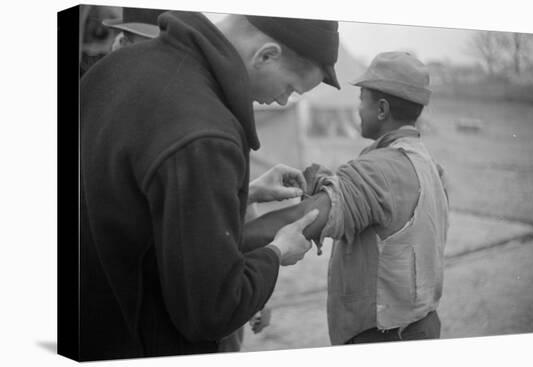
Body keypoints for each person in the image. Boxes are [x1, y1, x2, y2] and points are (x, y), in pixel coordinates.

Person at [80, 10, 340, 360]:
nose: (281, 101)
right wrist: (276, 254)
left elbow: (135, 199)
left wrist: (240, 191)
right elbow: (210, 310)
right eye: (290, 88)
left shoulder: (112, 70)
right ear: (266, 55)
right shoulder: (206, 134)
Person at [244, 52, 449, 345]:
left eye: (361, 99)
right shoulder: (428, 163)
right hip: (422, 327)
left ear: (381, 109)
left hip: (383, 338)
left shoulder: (379, 169)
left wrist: (225, 240)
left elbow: (304, 219)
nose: (357, 110)